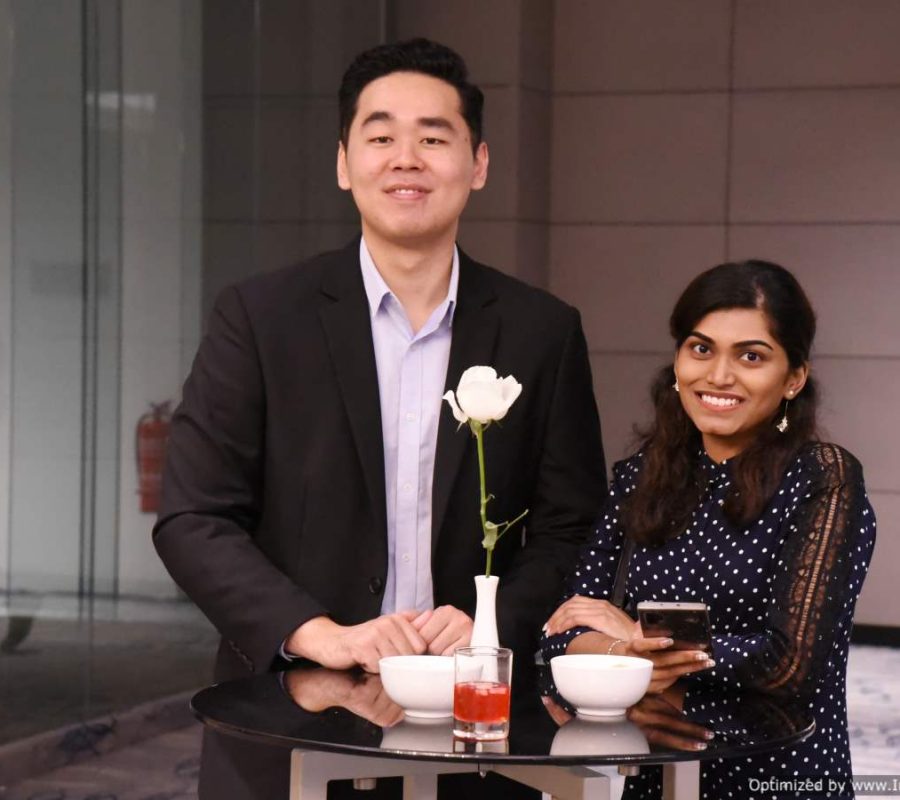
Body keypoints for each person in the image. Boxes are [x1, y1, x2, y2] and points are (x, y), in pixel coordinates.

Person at [153, 38, 605, 799]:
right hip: (292, 712)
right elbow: (193, 517)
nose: (406, 159)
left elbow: (573, 523)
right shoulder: (261, 318)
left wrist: (490, 619)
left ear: (478, 163)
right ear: (343, 163)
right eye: (381, 136)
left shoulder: (541, 331)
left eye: (433, 138)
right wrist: (317, 633)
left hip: (478, 726)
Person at [542, 260, 875, 799]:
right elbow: (561, 632)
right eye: (701, 349)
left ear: (794, 378)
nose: (718, 376)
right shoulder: (641, 476)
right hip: (658, 776)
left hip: (777, 775)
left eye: (751, 356)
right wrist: (626, 659)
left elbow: (789, 662)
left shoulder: (823, 478)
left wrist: (638, 652)